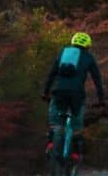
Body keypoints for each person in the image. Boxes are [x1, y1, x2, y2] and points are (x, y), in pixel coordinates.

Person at [41, 31, 104, 162]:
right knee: (76, 126)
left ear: (73, 42)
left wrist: (45, 92)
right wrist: (101, 99)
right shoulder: (88, 57)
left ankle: (51, 144)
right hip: (77, 94)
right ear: (88, 45)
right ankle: (75, 154)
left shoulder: (63, 53)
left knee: (55, 122)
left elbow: (51, 74)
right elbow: (97, 79)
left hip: (59, 92)